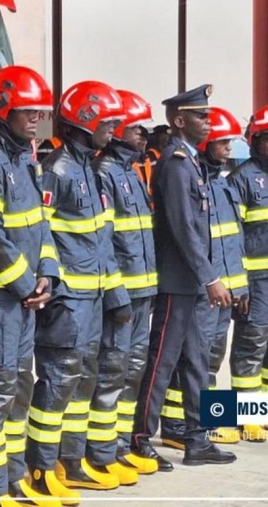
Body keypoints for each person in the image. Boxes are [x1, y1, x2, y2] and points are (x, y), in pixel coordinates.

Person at [25, 81, 129, 505]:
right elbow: (39, 232)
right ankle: (40, 467)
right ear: (86, 120)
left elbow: (100, 238)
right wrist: (55, 286)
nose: (114, 130)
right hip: (67, 303)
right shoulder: (59, 168)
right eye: (108, 122)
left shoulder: (87, 166)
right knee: (57, 382)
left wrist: (114, 291)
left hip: (92, 299)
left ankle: (69, 460)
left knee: (81, 381)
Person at [131, 84, 237, 470]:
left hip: (195, 281)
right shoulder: (175, 164)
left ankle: (198, 438)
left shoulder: (191, 162)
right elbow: (183, 227)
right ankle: (141, 438)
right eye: (201, 116)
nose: (208, 123)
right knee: (162, 361)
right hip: (180, 281)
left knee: (197, 361)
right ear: (179, 121)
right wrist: (210, 278)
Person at [0, 66, 60, 507]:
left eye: (40, 112)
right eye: (27, 112)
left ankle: (13, 479)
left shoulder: (26, 155)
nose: (35, 120)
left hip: (22, 300)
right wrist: (27, 283)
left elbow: (41, 224)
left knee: (19, 388)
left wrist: (47, 275)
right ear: (4, 108)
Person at [159, 106, 249, 448]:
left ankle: (213, 420)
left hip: (225, 286)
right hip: (204, 285)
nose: (228, 149)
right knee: (198, 358)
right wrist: (212, 280)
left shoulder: (224, 186)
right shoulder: (196, 182)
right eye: (222, 142)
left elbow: (234, 240)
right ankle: (182, 425)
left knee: (214, 355)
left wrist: (237, 284)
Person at [89, 90, 160, 478]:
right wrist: (117, 294)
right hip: (122, 295)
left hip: (141, 292)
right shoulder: (104, 173)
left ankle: (116, 445)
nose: (142, 137)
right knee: (111, 371)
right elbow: (103, 243)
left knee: (131, 370)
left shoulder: (129, 172)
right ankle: (100, 452)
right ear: (115, 130)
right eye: (135, 129)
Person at [228, 103, 268, 442]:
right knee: (250, 346)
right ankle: (245, 415)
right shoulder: (242, 179)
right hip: (255, 281)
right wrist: (239, 284)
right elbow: (233, 236)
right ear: (254, 140)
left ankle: (264, 409)